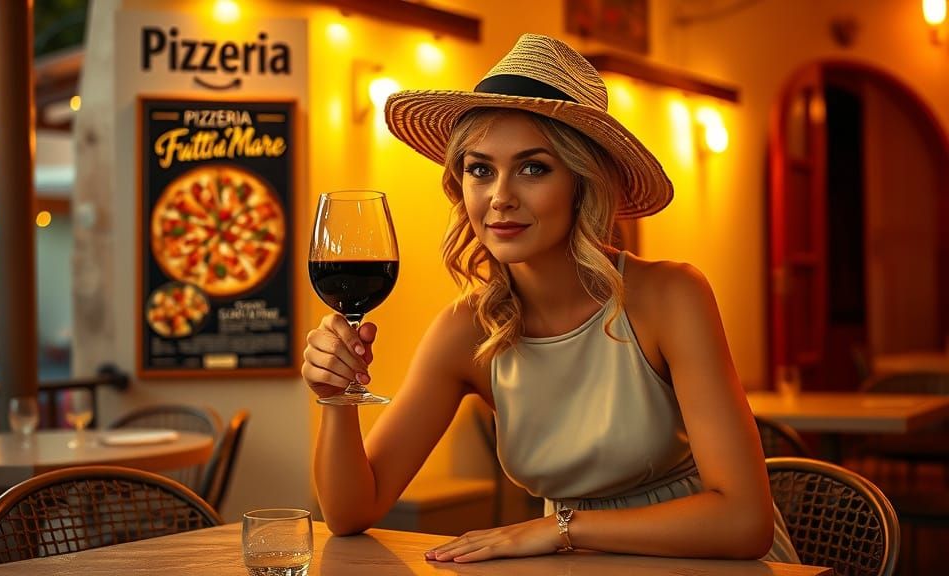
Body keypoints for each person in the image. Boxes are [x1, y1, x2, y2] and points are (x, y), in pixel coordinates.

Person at [302, 33, 798, 564]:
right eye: (480, 169)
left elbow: (744, 522)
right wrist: (335, 395)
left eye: (533, 167)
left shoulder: (671, 296)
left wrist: (562, 528)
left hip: (710, 562)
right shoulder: (465, 329)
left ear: (583, 183)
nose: (500, 197)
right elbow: (350, 513)